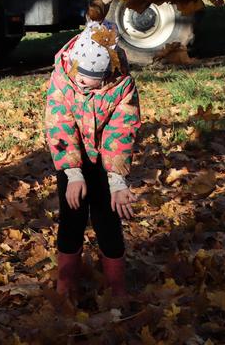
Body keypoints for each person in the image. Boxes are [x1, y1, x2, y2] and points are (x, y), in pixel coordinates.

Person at [44, 21, 140, 299]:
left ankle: (116, 287)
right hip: (70, 157)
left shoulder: (122, 87)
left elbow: (121, 132)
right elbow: (59, 125)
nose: (83, 83)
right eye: (81, 76)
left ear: (108, 73)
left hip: (105, 160)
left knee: (107, 219)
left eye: (91, 79)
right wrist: (73, 174)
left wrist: (117, 181)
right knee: (71, 217)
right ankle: (66, 283)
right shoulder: (63, 78)